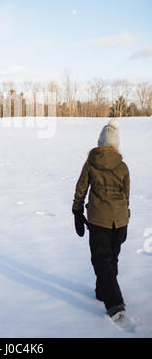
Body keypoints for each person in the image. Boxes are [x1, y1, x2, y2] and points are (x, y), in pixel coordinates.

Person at [72, 118, 130, 319]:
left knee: (101, 259)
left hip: (99, 221)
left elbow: (81, 189)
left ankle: (114, 303)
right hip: (120, 220)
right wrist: (126, 216)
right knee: (111, 258)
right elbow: (126, 195)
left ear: (100, 142)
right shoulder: (122, 166)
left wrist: (77, 211)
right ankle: (102, 291)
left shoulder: (91, 163)